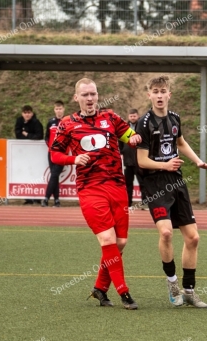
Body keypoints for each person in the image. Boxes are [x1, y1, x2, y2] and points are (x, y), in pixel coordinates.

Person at [49, 78, 141, 310]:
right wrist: (73, 158)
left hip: (117, 186)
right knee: (107, 240)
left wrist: (134, 138)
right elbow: (55, 154)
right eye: (85, 95)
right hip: (90, 188)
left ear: (97, 95)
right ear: (76, 97)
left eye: (93, 94)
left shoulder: (110, 118)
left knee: (120, 242)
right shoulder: (67, 123)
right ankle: (124, 293)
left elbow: (127, 135)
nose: (90, 99)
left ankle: (100, 288)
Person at [136, 76, 207, 308]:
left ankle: (189, 291)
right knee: (167, 233)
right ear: (149, 95)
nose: (159, 95)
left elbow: (180, 143)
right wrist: (165, 165)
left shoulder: (175, 118)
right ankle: (172, 285)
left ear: (169, 94)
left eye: (163, 91)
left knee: (193, 237)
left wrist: (199, 161)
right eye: (155, 91)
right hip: (155, 184)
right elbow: (141, 160)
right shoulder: (144, 122)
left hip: (176, 182)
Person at [16, 105, 44, 203]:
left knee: (36, 173)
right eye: (25, 113)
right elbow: (18, 134)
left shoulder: (36, 122)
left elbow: (39, 136)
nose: (27, 115)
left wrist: (27, 134)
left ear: (32, 113)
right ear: (22, 113)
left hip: (35, 153)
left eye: (29, 113)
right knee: (25, 173)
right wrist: (29, 138)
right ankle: (27, 198)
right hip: (24, 152)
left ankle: (38, 198)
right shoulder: (19, 121)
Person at [42, 100, 65, 207]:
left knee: (54, 175)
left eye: (60, 109)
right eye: (57, 109)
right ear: (54, 110)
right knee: (54, 176)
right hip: (51, 153)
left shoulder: (67, 121)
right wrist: (50, 146)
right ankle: (56, 200)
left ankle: (46, 198)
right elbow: (46, 137)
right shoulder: (51, 122)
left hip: (62, 154)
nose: (58, 111)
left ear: (63, 109)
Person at [121, 108, 140, 208]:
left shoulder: (141, 126)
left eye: (134, 116)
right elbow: (120, 140)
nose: (133, 118)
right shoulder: (124, 126)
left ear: (137, 116)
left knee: (143, 182)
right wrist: (121, 152)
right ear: (128, 117)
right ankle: (128, 204)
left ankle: (145, 203)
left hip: (140, 159)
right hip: (128, 160)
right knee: (128, 183)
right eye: (131, 116)